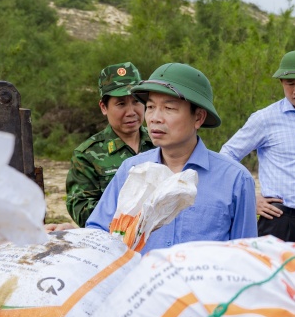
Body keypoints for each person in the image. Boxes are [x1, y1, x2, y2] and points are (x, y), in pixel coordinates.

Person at [86, 62, 257, 253]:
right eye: (150, 107)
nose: (154, 118)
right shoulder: (132, 170)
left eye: (169, 108)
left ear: (198, 117)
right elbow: (97, 233)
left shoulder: (234, 180)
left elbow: (246, 257)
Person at [220, 49, 295, 242]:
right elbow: (227, 155)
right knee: (274, 272)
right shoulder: (265, 119)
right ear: (281, 82)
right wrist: (250, 199)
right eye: (290, 83)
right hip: (280, 221)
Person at [65, 62, 154, 226]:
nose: (131, 112)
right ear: (103, 107)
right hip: (114, 241)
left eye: (136, 101)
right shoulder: (87, 155)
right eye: (121, 104)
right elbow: (82, 211)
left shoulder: (160, 143)